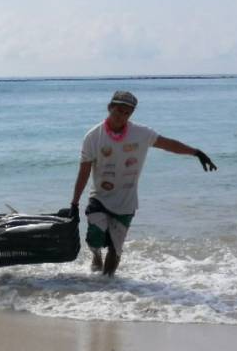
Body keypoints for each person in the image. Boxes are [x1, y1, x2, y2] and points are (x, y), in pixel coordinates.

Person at [70, 91, 217, 277]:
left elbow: (167, 144)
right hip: (99, 197)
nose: (121, 117)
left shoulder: (141, 133)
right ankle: (96, 255)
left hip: (126, 201)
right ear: (109, 108)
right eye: (118, 111)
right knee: (94, 239)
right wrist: (74, 203)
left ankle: (108, 286)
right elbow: (83, 172)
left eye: (127, 113)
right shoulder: (93, 137)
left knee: (116, 249)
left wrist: (196, 153)